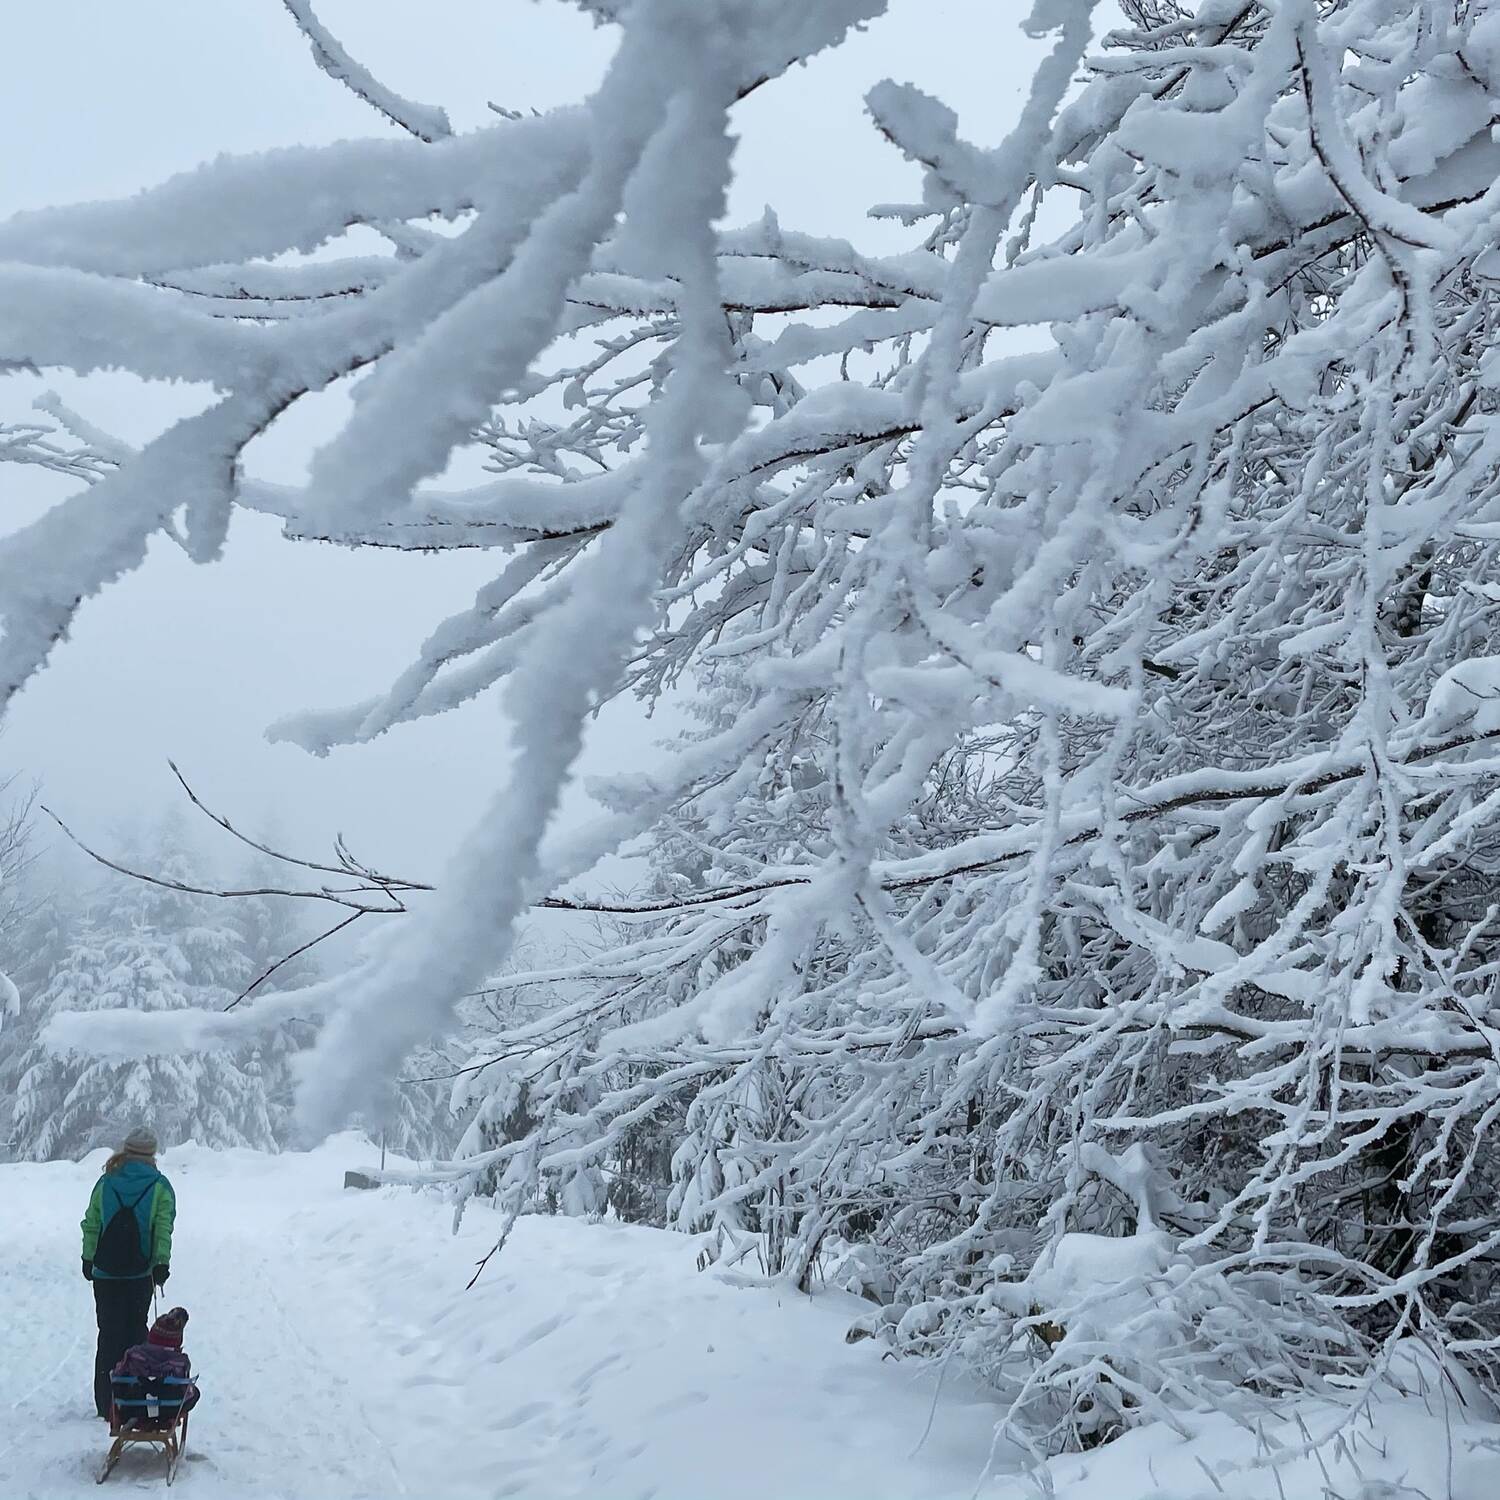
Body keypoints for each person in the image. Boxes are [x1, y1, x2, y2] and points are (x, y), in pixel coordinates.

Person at [80, 1126, 176, 1420]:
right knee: (135, 1333)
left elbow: (92, 1222)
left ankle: (105, 1403)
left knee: (108, 1334)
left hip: (105, 1273)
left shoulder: (106, 1182)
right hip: (139, 1274)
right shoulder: (160, 1186)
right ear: (152, 1154)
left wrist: (88, 1258)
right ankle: (131, 1401)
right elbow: (163, 1229)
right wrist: (161, 1263)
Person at [110, 1306, 199, 1430]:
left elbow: (117, 1375)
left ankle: (140, 1417)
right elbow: (183, 1388)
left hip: (134, 1406)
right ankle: (167, 1419)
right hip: (166, 1408)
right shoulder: (179, 1362)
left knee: (133, 1390)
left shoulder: (134, 1354)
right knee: (192, 1393)